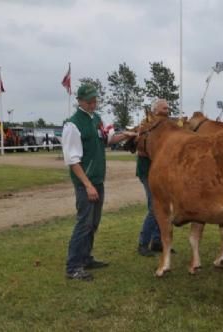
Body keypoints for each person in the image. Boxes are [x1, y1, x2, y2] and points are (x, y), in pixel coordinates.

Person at [62, 83, 136, 281]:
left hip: (97, 180)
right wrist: (87, 185)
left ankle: (85, 258)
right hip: (86, 182)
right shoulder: (73, 125)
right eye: (89, 101)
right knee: (84, 223)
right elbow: (72, 160)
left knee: (93, 223)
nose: (93, 104)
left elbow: (106, 140)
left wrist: (125, 135)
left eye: (95, 101)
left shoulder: (96, 119)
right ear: (80, 101)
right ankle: (74, 266)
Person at [137, 99, 169, 256]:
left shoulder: (164, 125)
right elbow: (141, 149)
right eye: (164, 108)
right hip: (147, 170)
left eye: (168, 108)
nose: (167, 110)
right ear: (155, 110)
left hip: (159, 172)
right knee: (153, 207)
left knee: (162, 207)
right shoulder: (146, 125)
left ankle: (157, 241)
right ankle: (143, 243)